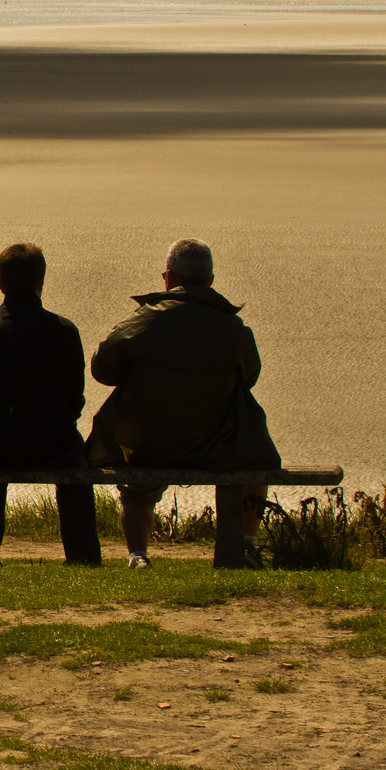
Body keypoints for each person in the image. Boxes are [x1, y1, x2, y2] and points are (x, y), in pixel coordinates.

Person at [87, 238, 279, 568]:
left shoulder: (143, 321)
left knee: (137, 489)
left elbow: (102, 369)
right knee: (257, 458)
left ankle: (139, 555)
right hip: (218, 448)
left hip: (148, 446)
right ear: (210, 281)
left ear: (169, 278)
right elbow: (249, 377)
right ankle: (247, 544)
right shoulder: (233, 329)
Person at [0, 244, 102, 565]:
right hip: (52, 447)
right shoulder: (64, 332)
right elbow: (75, 399)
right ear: (42, 281)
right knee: (76, 463)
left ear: (0, 284)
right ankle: (82, 555)